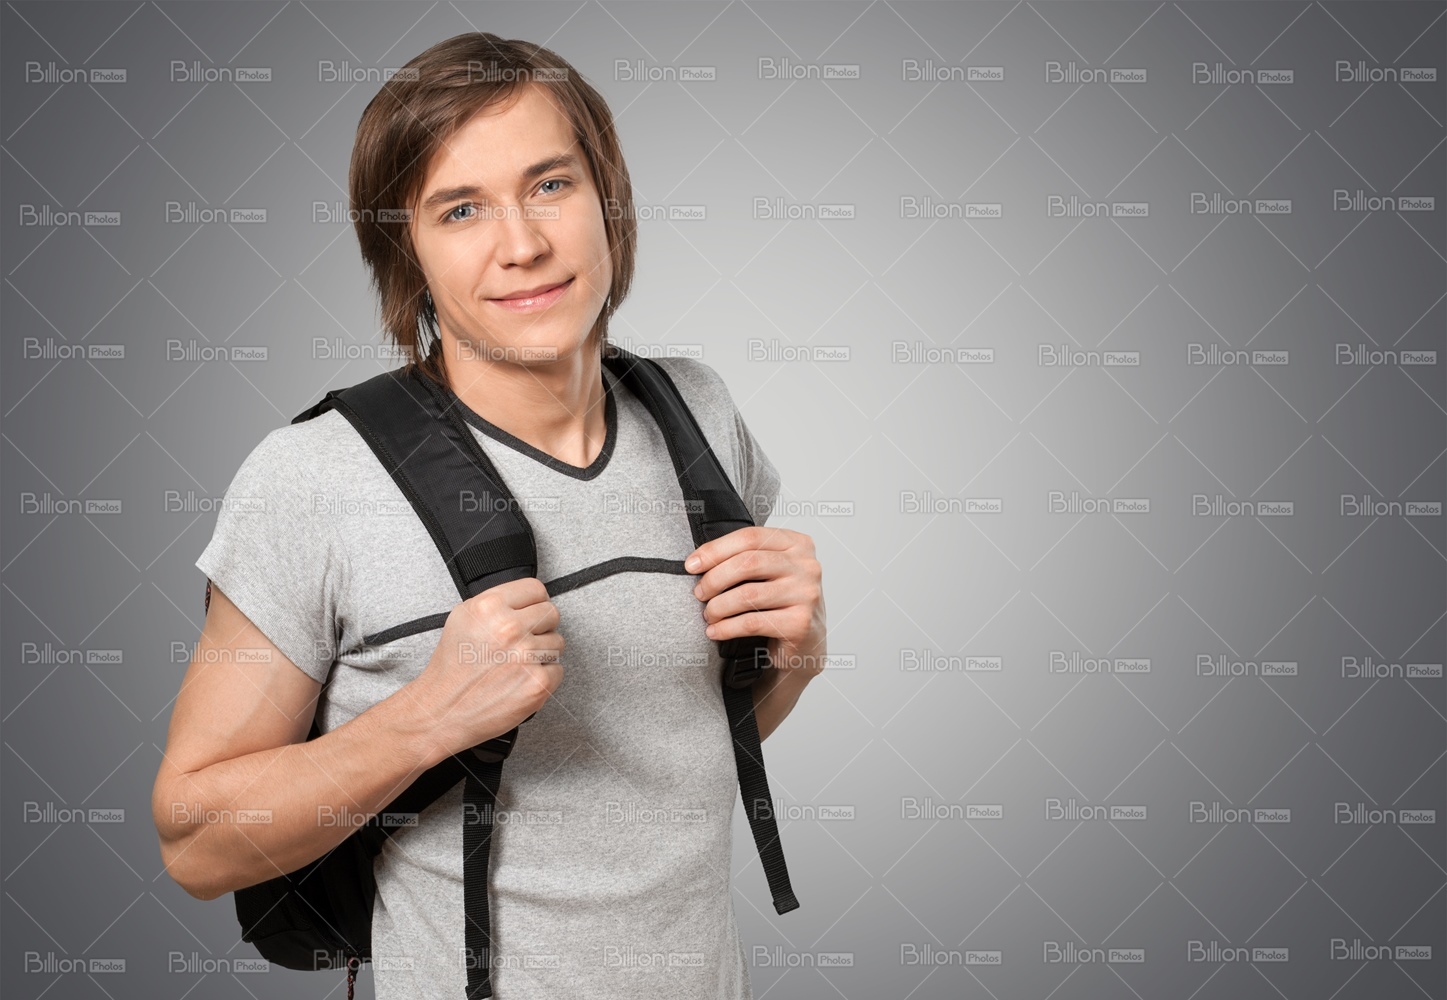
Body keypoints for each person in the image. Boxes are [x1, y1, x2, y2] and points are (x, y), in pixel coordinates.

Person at [151, 32, 827, 999]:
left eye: (550, 185)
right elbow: (196, 844)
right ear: (407, 253)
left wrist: (795, 653)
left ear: (607, 199)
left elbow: (683, 739)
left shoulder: (699, 416)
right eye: (460, 209)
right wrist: (424, 720)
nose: (522, 245)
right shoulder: (314, 481)